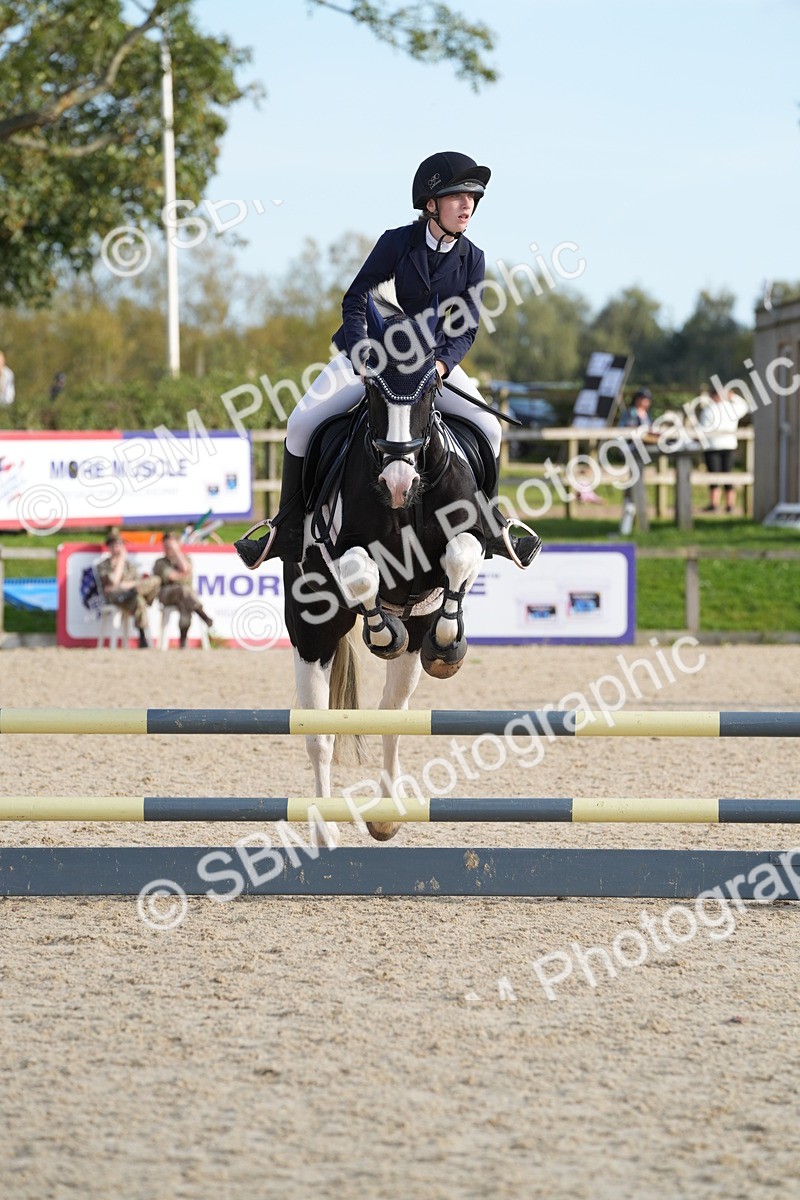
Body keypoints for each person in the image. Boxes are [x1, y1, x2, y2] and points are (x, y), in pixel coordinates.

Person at [234, 151, 540, 570]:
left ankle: (490, 524)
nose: (467, 204)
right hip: (373, 355)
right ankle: (287, 529)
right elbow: (356, 298)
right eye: (457, 196)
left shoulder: (473, 258)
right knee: (300, 423)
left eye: (472, 197)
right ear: (430, 203)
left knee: (489, 425)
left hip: (428, 364)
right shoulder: (396, 242)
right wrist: (361, 355)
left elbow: (465, 327)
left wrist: (443, 366)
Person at [95, 533, 161, 648]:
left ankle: (142, 636)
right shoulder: (103, 565)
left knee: (154, 582)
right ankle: (142, 636)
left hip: (131, 595)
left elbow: (138, 581)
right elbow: (114, 582)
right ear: (109, 547)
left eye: (119, 545)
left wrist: (127, 585)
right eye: (114, 545)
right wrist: (121, 560)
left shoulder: (129, 565)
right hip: (115, 598)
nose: (117, 548)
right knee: (138, 598)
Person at [694, 382, 750, 513]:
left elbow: (702, 429)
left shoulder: (710, 410)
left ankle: (719, 504)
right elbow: (744, 406)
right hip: (722, 446)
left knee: (719, 475)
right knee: (723, 475)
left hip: (715, 446)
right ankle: (724, 504)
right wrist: (733, 397)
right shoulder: (727, 409)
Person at [152, 531, 214, 648]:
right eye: (166, 546)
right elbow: (173, 576)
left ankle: (183, 638)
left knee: (185, 601)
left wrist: (176, 552)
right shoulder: (160, 562)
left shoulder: (187, 559)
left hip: (185, 597)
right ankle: (200, 612)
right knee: (184, 590)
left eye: (171, 546)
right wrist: (182, 575)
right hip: (167, 595)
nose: (168, 549)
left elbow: (185, 568)